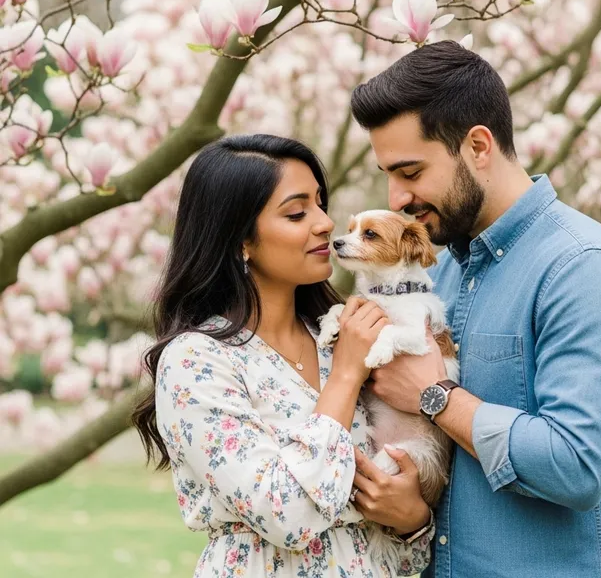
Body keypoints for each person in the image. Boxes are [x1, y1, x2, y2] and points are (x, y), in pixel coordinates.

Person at [349, 40, 601, 578]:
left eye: (411, 172)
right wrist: (411, 513)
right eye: (389, 175)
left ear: (478, 146)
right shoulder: (436, 275)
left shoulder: (585, 269)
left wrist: (435, 395)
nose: (396, 197)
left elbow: (577, 466)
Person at [133, 134, 434, 578]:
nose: (325, 224)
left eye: (319, 203)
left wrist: (411, 519)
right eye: (297, 213)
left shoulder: (335, 335)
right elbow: (285, 517)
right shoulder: (196, 362)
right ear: (240, 241)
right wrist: (347, 377)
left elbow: (404, 555)